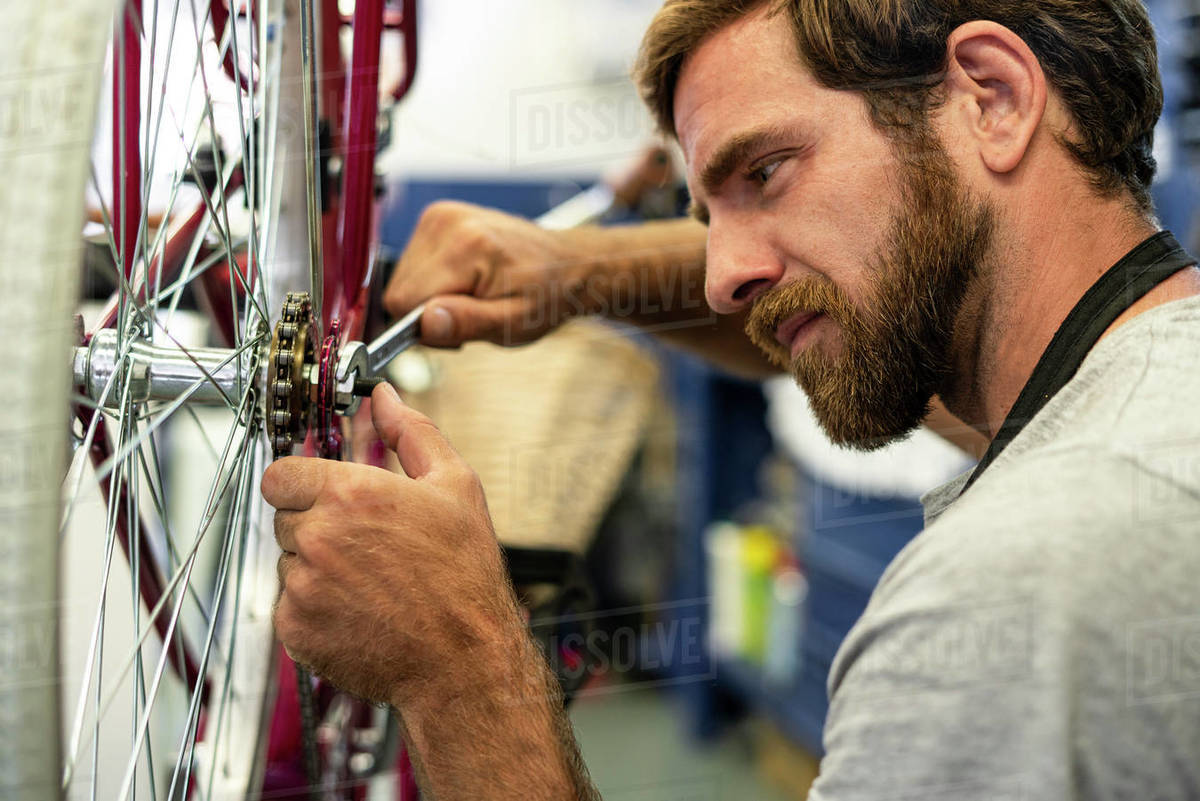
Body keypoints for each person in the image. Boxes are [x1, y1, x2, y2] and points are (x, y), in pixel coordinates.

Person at [261, 1, 1200, 798]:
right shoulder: (1148, 374)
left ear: (989, 98)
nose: (719, 280)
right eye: (710, 215)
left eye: (764, 172)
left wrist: (457, 665)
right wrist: (577, 270)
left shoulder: (1011, 592)